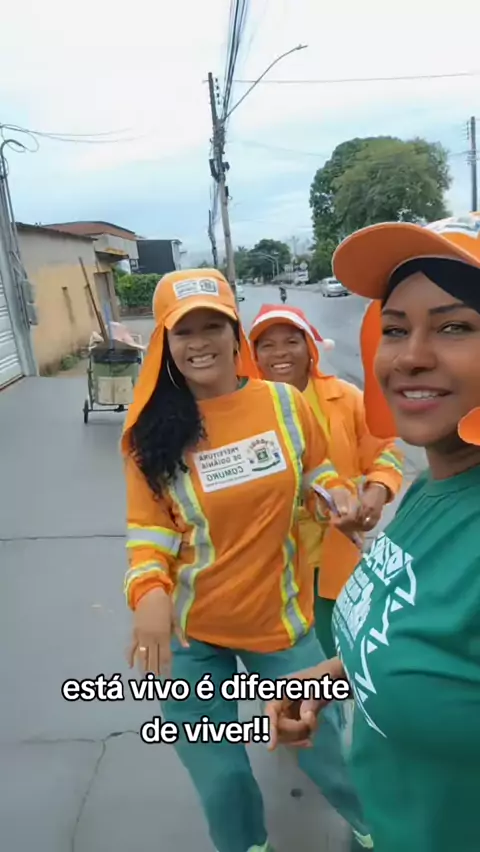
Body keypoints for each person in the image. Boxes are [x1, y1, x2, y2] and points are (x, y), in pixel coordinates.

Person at [121, 268, 373, 852]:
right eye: (184, 332)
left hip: (277, 621)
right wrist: (149, 597)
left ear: (235, 335)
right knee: (221, 777)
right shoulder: (147, 435)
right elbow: (149, 534)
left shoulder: (283, 404)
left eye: (213, 326)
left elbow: (317, 470)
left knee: (326, 749)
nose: (200, 342)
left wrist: (336, 498)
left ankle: (380, 831)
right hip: (190, 632)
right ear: (165, 343)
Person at [265, 214, 480, 852]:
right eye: (395, 328)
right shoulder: (431, 489)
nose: (411, 356)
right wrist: (328, 678)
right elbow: (417, 646)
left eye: (455, 326)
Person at [249, 304, 404, 658]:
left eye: (291, 341)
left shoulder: (345, 398)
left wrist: (378, 489)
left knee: (342, 653)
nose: (280, 353)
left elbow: (385, 448)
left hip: (337, 551)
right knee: (287, 664)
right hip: (273, 563)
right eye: (267, 345)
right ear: (254, 356)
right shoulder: (244, 409)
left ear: (310, 349)